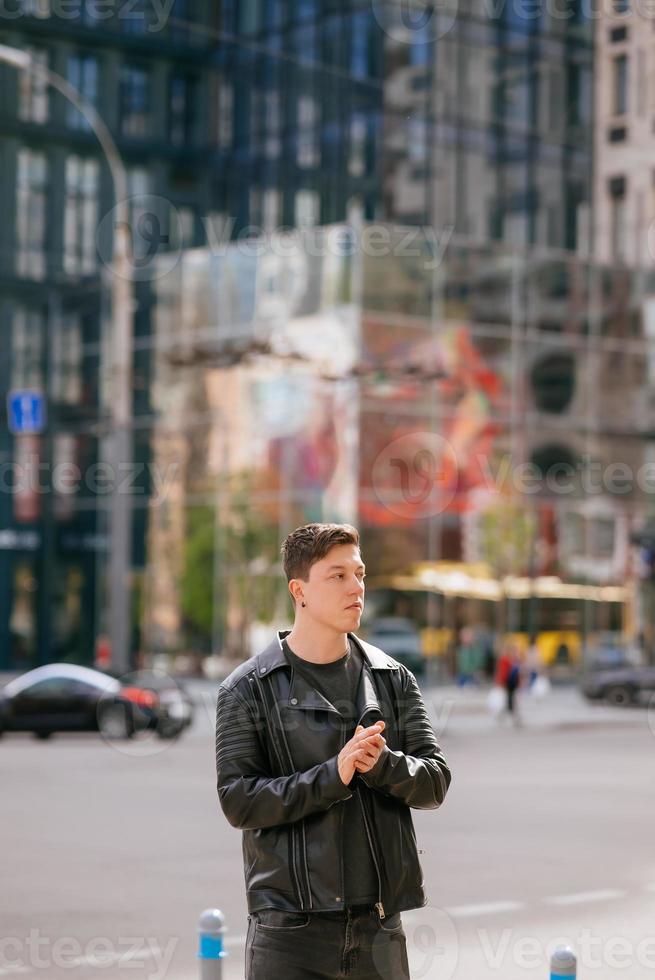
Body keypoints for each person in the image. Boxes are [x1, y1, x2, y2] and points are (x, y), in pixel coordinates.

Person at [215, 522, 452, 980]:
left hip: (380, 929)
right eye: (338, 576)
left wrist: (384, 765)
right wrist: (333, 775)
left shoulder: (393, 678)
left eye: (360, 574)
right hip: (289, 932)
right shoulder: (245, 689)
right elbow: (239, 800)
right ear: (299, 590)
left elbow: (435, 782)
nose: (356, 588)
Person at [494, 642, 524, 727]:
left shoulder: (516, 660)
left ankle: (509, 717)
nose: (515, 652)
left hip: (514, 683)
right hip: (507, 683)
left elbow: (519, 672)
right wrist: (500, 682)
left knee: (512, 701)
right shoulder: (504, 659)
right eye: (514, 650)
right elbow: (501, 672)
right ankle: (514, 718)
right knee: (510, 701)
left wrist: (521, 682)